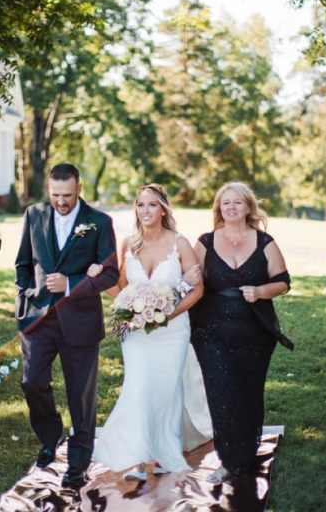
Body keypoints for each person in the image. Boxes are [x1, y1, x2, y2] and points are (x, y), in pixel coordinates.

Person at [92, 184, 213, 479]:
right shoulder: (128, 244)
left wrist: (167, 314)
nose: (145, 211)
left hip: (173, 331)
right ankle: (135, 453)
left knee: (167, 390)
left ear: (163, 209)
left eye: (151, 205)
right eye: (140, 205)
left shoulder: (180, 243)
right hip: (135, 332)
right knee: (139, 386)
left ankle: (163, 450)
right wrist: (102, 282)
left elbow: (197, 290)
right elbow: (120, 288)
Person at [15, 163, 119, 489]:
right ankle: (50, 437)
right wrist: (25, 296)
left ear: (79, 189)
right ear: (49, 190)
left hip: (81, 321)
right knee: (32, 382)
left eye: (68, 195)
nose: (61, 201)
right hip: (38, 320)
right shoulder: (33, 215)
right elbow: (22, 262)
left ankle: (78, 465)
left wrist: (72, 284)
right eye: (56, 195)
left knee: (81, 396)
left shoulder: (99, 222)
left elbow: (111, 273)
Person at [191, 181, 292, 484]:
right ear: (218, 209)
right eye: (226, 203)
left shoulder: (265, 242)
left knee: (248, 395)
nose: (231, 207)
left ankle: (246, 456)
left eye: (237, 202)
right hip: (210, 331)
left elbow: (284, 281)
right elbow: (192, 282)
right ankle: (228, 460)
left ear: (248, 207)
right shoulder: (205, 242)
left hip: (254, 333)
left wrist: (261, 291)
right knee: (222, 395)